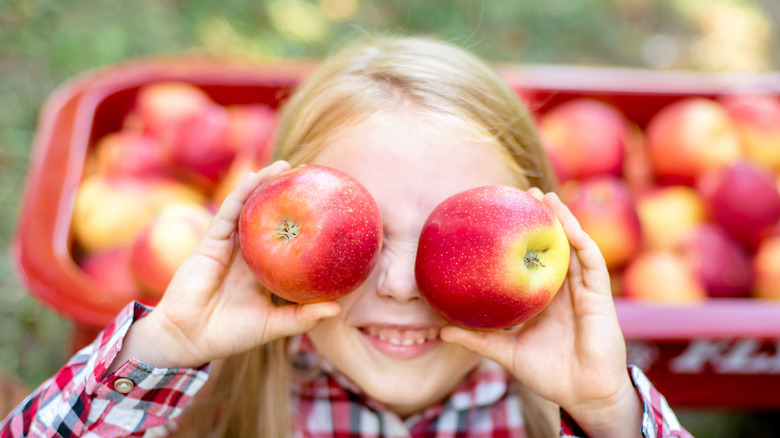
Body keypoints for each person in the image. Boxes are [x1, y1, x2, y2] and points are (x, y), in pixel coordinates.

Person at [1, 36, 691, 438]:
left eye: (447, 241)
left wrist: (610, 416)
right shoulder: (201, 402)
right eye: (362, 239)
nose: (396, 284)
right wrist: (164, 349)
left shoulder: (559, 410)